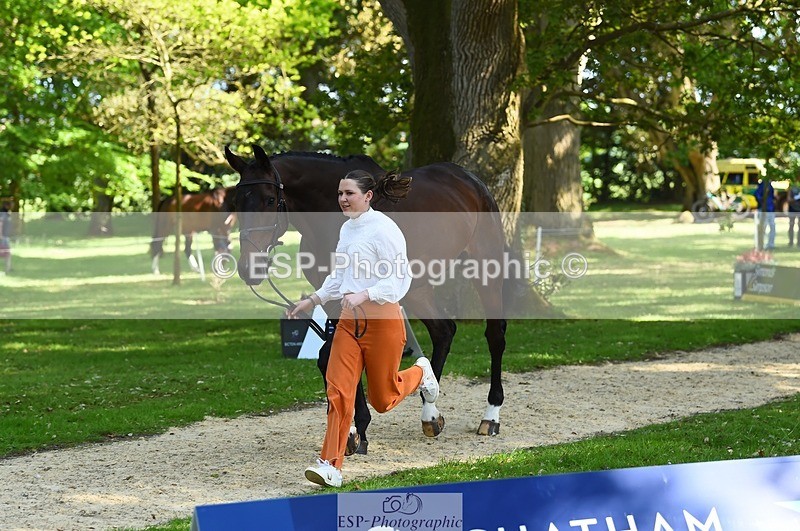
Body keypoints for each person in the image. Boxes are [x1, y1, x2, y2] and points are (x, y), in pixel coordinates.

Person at [287, 169, 439, 488]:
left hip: (383, 320)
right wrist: (312, 300)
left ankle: (420, 373)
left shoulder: (384, 229)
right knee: (339, 390)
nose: (342, 199)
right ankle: (330, 465)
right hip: (349, 322)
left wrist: (366, 293)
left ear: (368, 196)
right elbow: (340, 277)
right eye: (340, 193)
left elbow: (400, 278)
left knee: (382, 400)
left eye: (349, 194)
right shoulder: (347, 230)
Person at [754, 179, 776, 250]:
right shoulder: (762, 184)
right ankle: (761, 244)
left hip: (771, 209)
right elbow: (757, 194)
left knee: (772, 227)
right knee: (763, 227)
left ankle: (770, 244)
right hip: (763, 209)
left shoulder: (770, 185)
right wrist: (762, 202)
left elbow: (772, 196)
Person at [0, 200, 11, 274]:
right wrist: (0, 235)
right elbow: (0, 223)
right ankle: (7, 269)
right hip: (3, 236)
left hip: (5, 236)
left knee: (6, 253)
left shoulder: (6, 213)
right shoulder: (3, 213)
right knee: (6, 253)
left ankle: (8, 268)